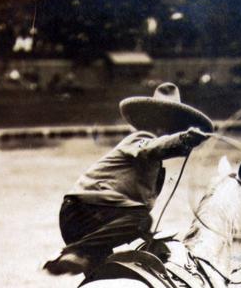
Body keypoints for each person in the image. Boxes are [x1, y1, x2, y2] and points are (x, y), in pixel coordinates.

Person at [43, 82, 213, 275]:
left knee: (104, 275)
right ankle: (77, 251)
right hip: (83, 212)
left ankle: (81, 258)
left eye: (171, 123)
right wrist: (183, 140)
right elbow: (152, 148)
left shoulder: (154, 164)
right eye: (162, 119)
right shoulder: (140, 139)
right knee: (141, 219)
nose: (166, 127)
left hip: (93, 219)